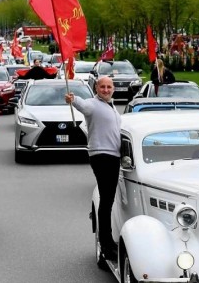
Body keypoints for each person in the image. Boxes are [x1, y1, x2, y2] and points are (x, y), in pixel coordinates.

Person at [65, 76, 121, 261]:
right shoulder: (93, 104)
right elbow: (83, 105)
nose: (106, 89)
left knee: (108, 200)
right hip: (102, 156)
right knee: (106, 202)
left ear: (113, 89)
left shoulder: (110, 106)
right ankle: (106, 245)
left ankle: (108, 242)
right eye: (102, 87)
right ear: (96, 88)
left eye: (109, 87)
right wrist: (73, 99)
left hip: (112, 156)